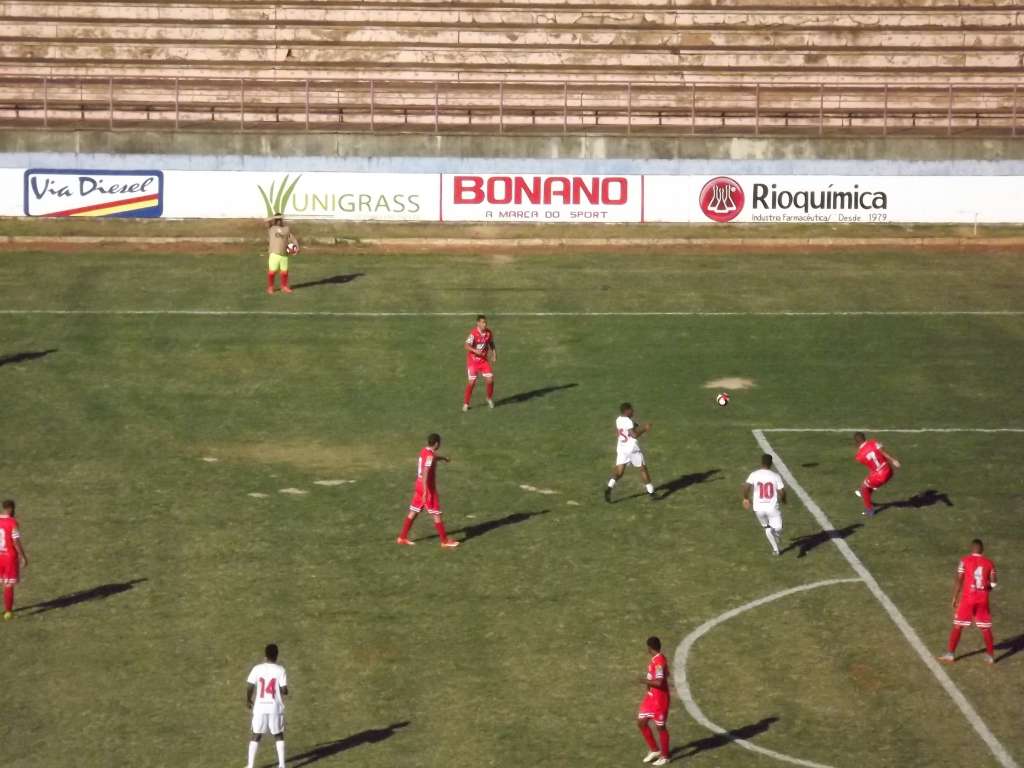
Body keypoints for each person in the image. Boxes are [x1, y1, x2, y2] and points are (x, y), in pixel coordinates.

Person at [396, 434, 460, 548]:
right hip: (427, 488)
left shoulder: (425, 451)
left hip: (419, 485)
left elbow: (432, 458)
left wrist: (443, 458)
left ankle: (402, 537)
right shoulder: (430, 456)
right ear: (436, 443)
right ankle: (444, 541)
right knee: (436, 513)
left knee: (414, 511)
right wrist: (426, 491)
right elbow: (426, 471)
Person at [939, 539, 997, 665]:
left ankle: (950, 654)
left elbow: (959, 581)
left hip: (967, 599)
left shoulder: (964, 561)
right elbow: (993, 583)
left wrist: (955, 597)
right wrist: (987, 588)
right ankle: (991, 656)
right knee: (985, 628)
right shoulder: (989, 563)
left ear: (972, 549)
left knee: (958, 625)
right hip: (983, 599)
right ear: (982, 550)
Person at [245, 643, 289, 768]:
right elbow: (284, 690)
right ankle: (281, 765)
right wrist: (284, 691)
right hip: (275, 706)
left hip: (260, 706)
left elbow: (250, 686)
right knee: (278, 734)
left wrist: (248, 700)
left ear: (265, 655)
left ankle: (250, 765)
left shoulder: (257, 668)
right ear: (277, 655)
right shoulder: (280, 670)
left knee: (256, 734)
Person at [605, 402, 656, 502]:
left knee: (619, 472)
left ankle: (609, 488)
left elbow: (619, 431)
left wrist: (633, 425)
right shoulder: (628, 421)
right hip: (632, 449)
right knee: (642, 469)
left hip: (622, 449)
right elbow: (634, 435)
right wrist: (645, 429)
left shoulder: (618, 420)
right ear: (627, 411)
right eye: (631, 410)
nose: (633, 411)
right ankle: (652, 493)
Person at [743, 453, 787, 556]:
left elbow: (746, 486)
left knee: (767, 528)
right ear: (771, 463)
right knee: (778, 527)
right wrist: (784, 499)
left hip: (758, 508)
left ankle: (776, 550)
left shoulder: (754, 474)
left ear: (761, 462)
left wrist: (745, 498)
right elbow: (782, 491)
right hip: (771, 507)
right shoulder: (775, 476)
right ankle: (774, 533)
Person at [637, 636, 670, 766]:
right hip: (651, 698)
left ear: (649, 648)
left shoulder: (659, 661)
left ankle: (665, 756)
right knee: (641, 722)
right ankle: (654, 750)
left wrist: (644, 680)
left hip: (660, 700)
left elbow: (659, 682)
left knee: (660, 727)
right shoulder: (656, 660)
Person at [853, 431, 900, 516]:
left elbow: (868, 463)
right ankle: (867, 498)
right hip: (888, 470)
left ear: (856, 442)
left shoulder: (859, 456)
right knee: (867, 487)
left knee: (864, 488)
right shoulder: (874, 442)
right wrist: (893, 460)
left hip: (879, 476)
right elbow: (883, 452)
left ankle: (869, 510)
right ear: (864, 438)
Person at [0, 499, 27, 620]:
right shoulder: (12, 522)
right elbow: (15, 540)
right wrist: (23, 556)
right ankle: (8, 611)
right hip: (9, 557)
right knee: (8, 584)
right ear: (10, 509)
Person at [463, 315, 496, 411]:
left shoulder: (488, 333)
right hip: (473, 361)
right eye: (483, 322)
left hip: (483, 361)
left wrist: (494, 354)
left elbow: (491, 343)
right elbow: (466, 345)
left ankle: (489, 398)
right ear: (478, 323)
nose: (485, 324)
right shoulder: (473, 334)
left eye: (485, 322)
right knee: (471, 382)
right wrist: (475, 351)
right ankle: (466, 403)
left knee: (490, 380)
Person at [266, 212, 298, 294]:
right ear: (275, 220)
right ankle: (270, 287)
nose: (279, 221)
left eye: (280, 220)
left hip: (284, 254)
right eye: (277, 220)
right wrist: (275, 217)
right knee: (272, 272)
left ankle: (284, 287)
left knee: (284, 272)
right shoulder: (272, 228)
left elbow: (292, 239)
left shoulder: (286, 229)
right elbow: (266, 221)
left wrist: (296, 247)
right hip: (274, 254)